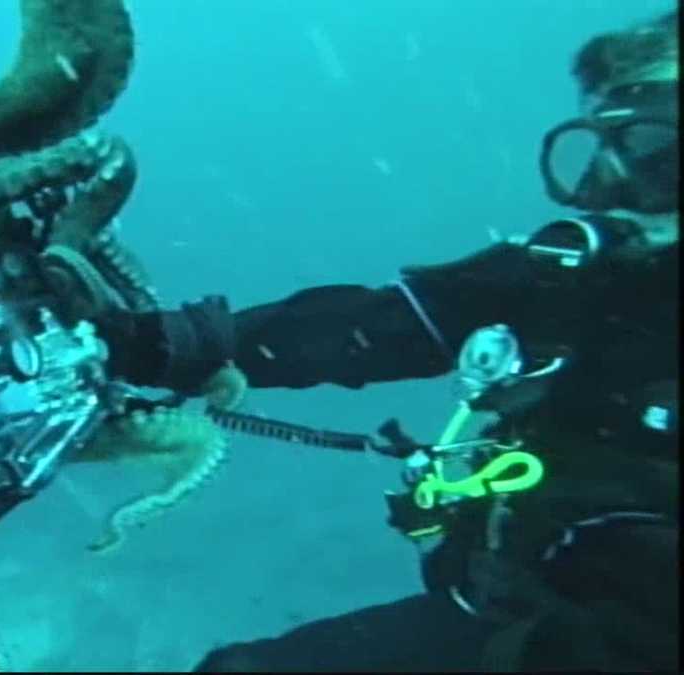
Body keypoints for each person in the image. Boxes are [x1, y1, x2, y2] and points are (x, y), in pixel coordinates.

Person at [96, 11, 678, 671]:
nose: (612, 192)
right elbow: (378, 328)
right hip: (514, 606)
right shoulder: (570, 280)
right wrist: (160, 343)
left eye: (659, 153)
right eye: (599, 158)